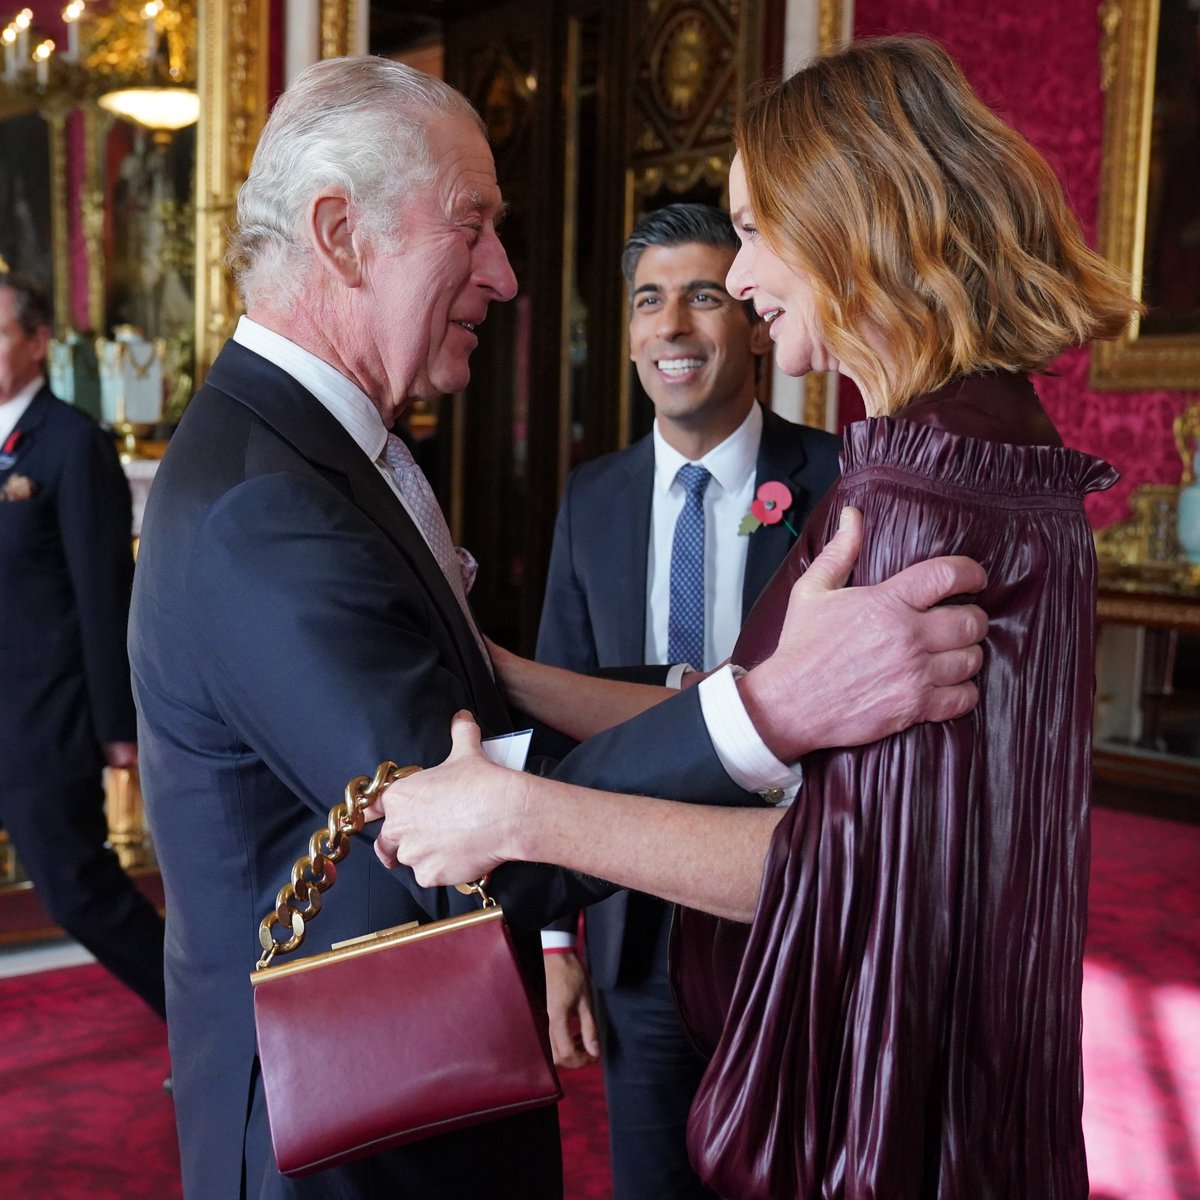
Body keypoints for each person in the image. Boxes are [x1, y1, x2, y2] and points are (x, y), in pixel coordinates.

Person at [129, 55, 987, 1200]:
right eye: (473, 224)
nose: (506, 272)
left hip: (412, 1082)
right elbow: (447, 839)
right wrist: (768, 704)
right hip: (342, 1146)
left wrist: (717, 692)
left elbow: (482, 708)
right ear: (341, 235)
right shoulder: (261, 505)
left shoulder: (320, 453)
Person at [370, 35, 1139, 1200]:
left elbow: (837, 874)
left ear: (853, 218)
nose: (736, 280)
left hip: (879, 1105)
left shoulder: (914, 501)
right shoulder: (986, 447)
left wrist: (522, 815)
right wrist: (505, 671)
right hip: (967, 1060)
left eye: (757, 231)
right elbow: (754, 718)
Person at [536, 202, 840, 1200]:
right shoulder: (592, 499)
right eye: (649, 301)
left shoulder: (840, 482)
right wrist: (550, 938)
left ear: (753, 318)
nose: (671, 326)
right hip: (634, 928)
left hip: (788, 920)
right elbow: (554, 720)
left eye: (703, 296)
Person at [0, 272, 166, 1020]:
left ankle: (211, 1025)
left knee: (78, 892)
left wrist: (116, 726)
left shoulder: (73, 444)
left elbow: (105, 596)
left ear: (37, 344)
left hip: (43, 719)